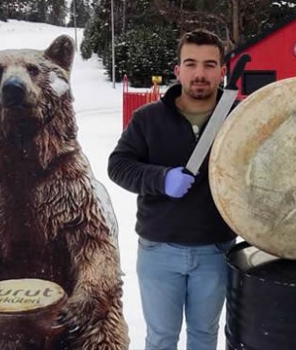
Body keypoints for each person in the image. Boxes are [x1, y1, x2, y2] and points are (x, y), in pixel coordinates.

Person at [107, 29, 235, 350]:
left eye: (210, 65)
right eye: (191, 64)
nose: (200, 73)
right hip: (159, 251)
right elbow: (118, 165)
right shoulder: (148, 118)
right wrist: (161, 179)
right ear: (177, 71)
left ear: (222, 71)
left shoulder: (239, 118)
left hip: (215, 252)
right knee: (162, 339)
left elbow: (289, 129)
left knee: (204, 337)